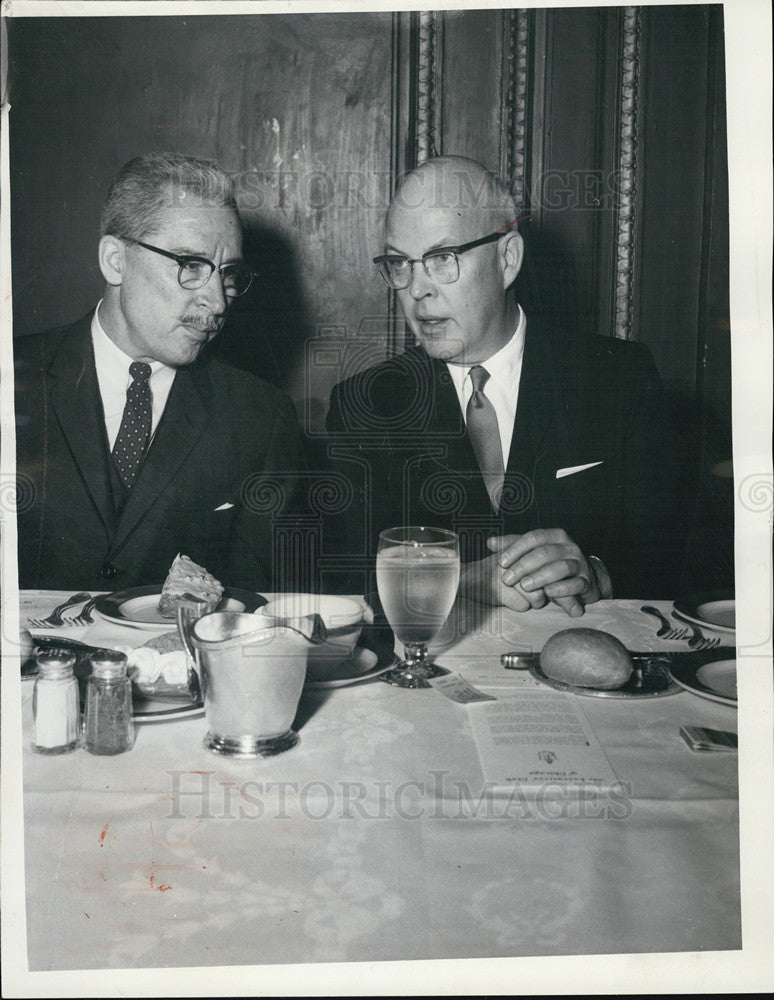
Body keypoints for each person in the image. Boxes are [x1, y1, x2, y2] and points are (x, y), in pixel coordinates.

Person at [326, 155, 682, 614]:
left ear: (507, 258)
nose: (416, 290)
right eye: (400, 264)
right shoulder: (364, 406)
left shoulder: (619, 377)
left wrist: (598, 573)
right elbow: (343, 581)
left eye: (441, 259)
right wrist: (463, 579)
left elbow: (677, 557)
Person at [15, 152, 304, 592]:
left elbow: (259, 607)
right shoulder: (10, 382)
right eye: (191, 266)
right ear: (115, 260)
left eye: (228, 274)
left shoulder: (261, 417)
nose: (218, 301)